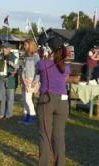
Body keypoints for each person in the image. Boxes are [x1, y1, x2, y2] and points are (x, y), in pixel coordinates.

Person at [35, 37, 70, 166]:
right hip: (63, 103)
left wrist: (43, 56)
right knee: (59, 136)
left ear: (49, 49)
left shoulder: (43, 63)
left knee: (45, 136)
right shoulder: (66, 66)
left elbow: (37, 68)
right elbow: (62, 76)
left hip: (47, 100)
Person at [19, 39, 40, 124]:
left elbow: (39, 69)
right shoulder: (25, 55)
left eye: (25, 44)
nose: (24, 46)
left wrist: (36, 80)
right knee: (24, 99)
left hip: (31, 80)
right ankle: (26, 116)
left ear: (30, 45)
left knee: (28, 99)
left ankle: (32, 116)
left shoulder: (36, 56)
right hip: (25, 80)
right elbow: (23, 67)